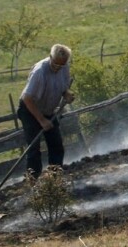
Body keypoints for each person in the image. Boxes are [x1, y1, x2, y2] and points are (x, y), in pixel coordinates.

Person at [18, 44, 75, 179]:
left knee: (56, 145)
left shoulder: (64, 67)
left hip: (49, 110)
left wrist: (67, 94)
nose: (58, 68)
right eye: (55, 64)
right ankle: (33, 182)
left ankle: (55, 179)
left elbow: (64, 87)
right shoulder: (39, 72)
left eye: (61, 65)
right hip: (30, 110)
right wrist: (42, 120)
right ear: (50, 57)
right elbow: (27, 98)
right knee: (34, 149)